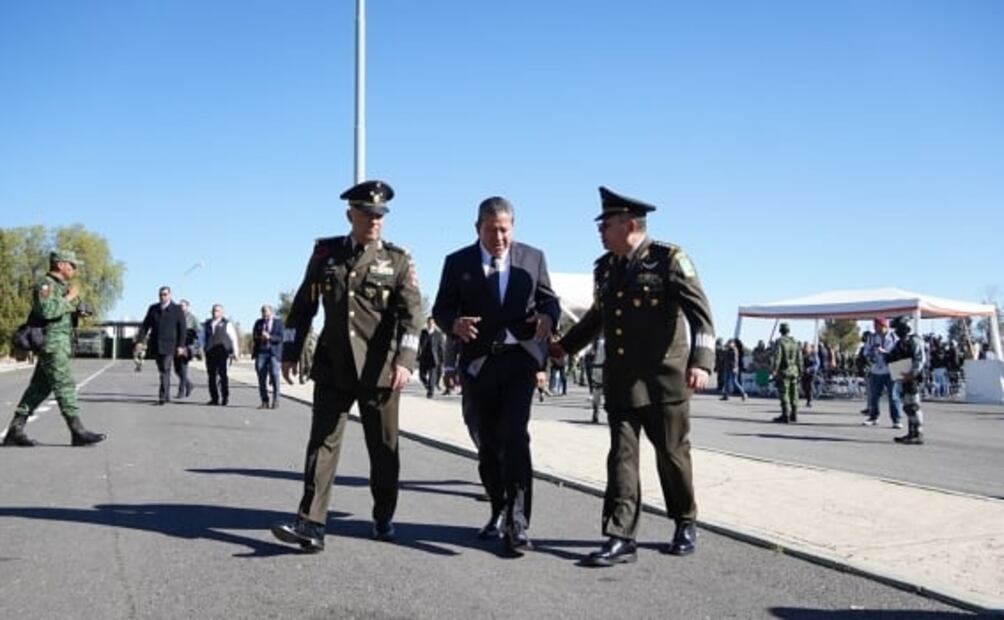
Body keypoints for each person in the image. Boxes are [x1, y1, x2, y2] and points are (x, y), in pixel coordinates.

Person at [551, 186, 715, 567]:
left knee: (672, 456)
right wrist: (564, 347)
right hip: (622, 381)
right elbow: (597, 317)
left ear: (629, 224)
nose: (600, 231)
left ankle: (685, 521)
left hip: (664, 381)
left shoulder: (669, 260)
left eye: (605, 224)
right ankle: (621, 536)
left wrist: (701, 362)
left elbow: (701, 316)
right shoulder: (606, 268)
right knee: (621, 457)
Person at [271, 180, 423, 552]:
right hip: (334, 367)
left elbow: (413, 317)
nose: (375, 221)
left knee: (383, 449)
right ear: (350, 215)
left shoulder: (397, 260)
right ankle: (311, 523)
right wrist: (289, 352)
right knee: (321, 444)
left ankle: (383, 515)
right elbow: (303, 306)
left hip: (380, 371)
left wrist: (405, 361)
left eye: (380, 215)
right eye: (367, 214)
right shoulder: (326, 255)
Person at [432, 195, 560, 555]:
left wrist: (549, 316)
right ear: (478, 229)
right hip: (479, 365)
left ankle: (518, 524)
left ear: (512, 228)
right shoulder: (457, 262)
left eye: (504, 230)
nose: (499, 238)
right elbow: (441, 308)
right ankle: (499, 506)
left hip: (520, 361)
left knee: (516, 436)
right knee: (487, 442)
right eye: (491, 231)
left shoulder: (533, 258)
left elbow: (549, 300)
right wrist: (453, 324)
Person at [3, 250, 106, 447]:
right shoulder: (45, 284)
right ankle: (77, 431)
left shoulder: (60, 287)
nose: (74, 269)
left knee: (39, 388)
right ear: (60, 265)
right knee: (65, 385)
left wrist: (77, 312)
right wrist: (70, 298)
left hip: (58, 343)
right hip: (51, 344)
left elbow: (58, 313)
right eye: (72, 265)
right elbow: (47, 310)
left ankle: (15, 430)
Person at [138, 286, 187, 405]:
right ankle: (166, 394)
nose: (162, 297)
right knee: (162, 370)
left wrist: (181, 346)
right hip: (156, 345)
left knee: (165, 368)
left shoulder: (177, 309)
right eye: (161, 295)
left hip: (170, 345)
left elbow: (182, 329)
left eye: (165, 294)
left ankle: (162, 397)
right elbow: (145, 326)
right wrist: (140, 340)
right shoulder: (153, 309)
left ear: (170, 295)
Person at [888, 317, 927, 445]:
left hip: (912, 377)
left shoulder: (914, 340)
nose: (896, 331)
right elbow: (893, 356)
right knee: (907, 406)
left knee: (913, 406)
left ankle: (918, 433)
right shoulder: (900, 343)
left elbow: (920, 359)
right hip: (902, 376)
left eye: (898, 328)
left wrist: (913, 373)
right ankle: (911, 433)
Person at [863, 318, 902, 428]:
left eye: (878, 326)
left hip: (891, 370)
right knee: (874, 396)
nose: (876, 328)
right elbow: (866, 351)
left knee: (893, 396)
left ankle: (896, 420)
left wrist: (885, 352)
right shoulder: (872, 337)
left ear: (885, 326)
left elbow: (898, 352)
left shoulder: (894, 337)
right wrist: (871, 354)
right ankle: (873, 417)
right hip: (876, 370)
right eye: (875, 326)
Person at [203, 304, 239, 406]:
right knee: (211, 376)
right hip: (210, 353)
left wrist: (236, 352)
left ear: (222, 312)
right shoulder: (207, 324)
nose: (215, 312)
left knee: (223, 375)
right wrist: (202, 347)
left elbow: (233, 338)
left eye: (218, 311)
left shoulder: (226, 324)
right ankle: (214, 398)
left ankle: (225, 397)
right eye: (214, 310)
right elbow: (202, 337)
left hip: (222, 353)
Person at [252, 304, 284, 409]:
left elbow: (281, 337)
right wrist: (260, 338)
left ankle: (276, 400)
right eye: (262, 312)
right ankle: (264, 401)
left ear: (271, 311)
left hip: (274, 353)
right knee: (261, 378)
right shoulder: (258, 323)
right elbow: (254, 337)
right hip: (261, 352)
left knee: (274, 374)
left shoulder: (279, 323)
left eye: (265, 311)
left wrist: (269, 337)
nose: (264, 314)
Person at [771, 323, 803, 423]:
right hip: (794, 371)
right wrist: (801, 370)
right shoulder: (795, 342)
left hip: (784, 371)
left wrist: (774, 370)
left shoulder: (780, 342)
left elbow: (778, 357)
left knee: (784, 392)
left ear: (780, 331)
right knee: (794, 393)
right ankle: (794, 414)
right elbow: (799, 358)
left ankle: (786, 415)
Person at [173, 298, 200, 399]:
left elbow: (199, 330)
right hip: (176, 346)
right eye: (179, 306)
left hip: (186, 347)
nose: (181, 307)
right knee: (177, 370)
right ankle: (189, 384)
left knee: (183, 369)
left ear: (187, 307)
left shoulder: (192, 318)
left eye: (182, 306)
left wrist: (194, 344)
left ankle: (181, 391)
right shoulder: (175, 316)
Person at [417, 317, 446, 398]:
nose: (430, 324)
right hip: (424, 357)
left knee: (432, 376)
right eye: (429, 323)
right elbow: (418, 344)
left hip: (434, 358)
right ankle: (427, 385)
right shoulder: (423, 332)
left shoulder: (438, 334)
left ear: (434, 324)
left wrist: (442, 359)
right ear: (427, 323)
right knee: (421, 375)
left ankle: (430, 392)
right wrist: (417, 354)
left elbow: (441, 347)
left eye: (432, 323)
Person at [801, 342, 819, 408]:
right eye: (805, 347)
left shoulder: (814, 354)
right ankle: (807, 398)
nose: (806, 348)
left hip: (811, 373)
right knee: (804, 386)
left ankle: (809, 401)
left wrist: (810, 369)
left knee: (810, 386)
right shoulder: (802, 354)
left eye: (807, 347)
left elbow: (817, 364)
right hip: (804, 373)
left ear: (810, 348)